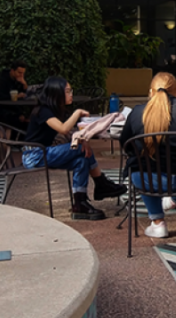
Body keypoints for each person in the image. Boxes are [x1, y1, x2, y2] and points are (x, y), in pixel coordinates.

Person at [120, 72, 176, 238]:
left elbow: (126, 145)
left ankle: (158, 222)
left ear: (151, 91)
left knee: (140, 167)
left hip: (149, 180)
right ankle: (174, 199)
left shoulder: (137, 113)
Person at [23, 76, 127, 221]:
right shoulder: (43, 111)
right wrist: (77, 112)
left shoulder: (54, 110)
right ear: (56, 93)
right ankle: (101, 183)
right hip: (34, 155)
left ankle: (80, 203)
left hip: (45, 152)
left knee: (82, 160)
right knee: (81, 150)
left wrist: (82, 140)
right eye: (67, 91)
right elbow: (64, 129)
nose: (71, 94)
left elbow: (70, 132)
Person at [0, 61, 29, 130]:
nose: (21, 75)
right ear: (12, 71)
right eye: (19, 72)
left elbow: (26, 94)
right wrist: (16, 96)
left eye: (23, 73)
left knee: (28, 121)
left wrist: (24, 84)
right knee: (21, 123)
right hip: (3, 109)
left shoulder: (19, 80)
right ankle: (14, 140)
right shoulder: (3, 80)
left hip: (15, 109)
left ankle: (16, 140)